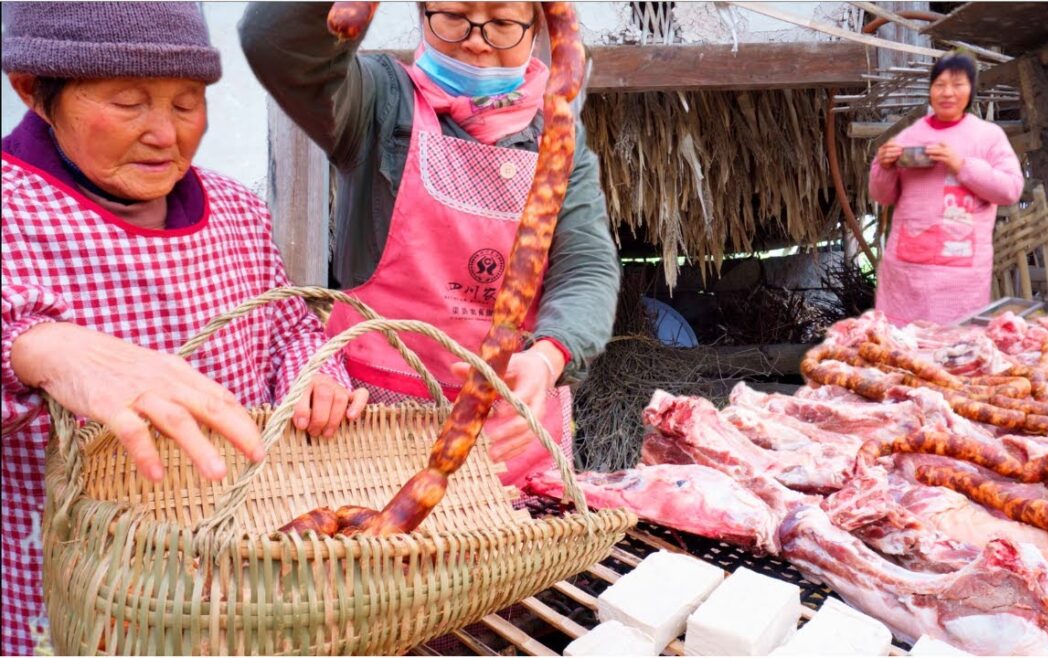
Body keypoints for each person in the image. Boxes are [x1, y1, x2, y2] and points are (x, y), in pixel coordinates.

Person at [1, 4, 368, 653]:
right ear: (33, 89)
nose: (165, 135)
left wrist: (315, 375)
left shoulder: (235, 211)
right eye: (128, 102)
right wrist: (36, 345)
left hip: (234, 581)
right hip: (70, 598)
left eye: (187, 103)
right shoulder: (12, 208)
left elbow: (286, 328)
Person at [239, 2, 620, 482]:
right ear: (422, 13)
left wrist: (548, 357)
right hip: (373, 428)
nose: (477, 39)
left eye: (502, 23)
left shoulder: (559, 135)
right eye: (454, 15)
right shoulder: (377, 102)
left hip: (508, 431)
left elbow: (586, 265)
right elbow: (273, 43)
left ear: (535, 27)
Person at [869, 52, 1024, 327]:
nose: (947, 93)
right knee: (902, 351)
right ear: (930, 90)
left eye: (958, 84)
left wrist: (961, 165)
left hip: (959, 276)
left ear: (971, 90)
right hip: (907, 271)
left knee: (955, 351)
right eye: (939, 85)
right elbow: (882, 196)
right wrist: (884, 166)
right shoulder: (910, 136)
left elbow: (1010, 190)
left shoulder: (988, 136)